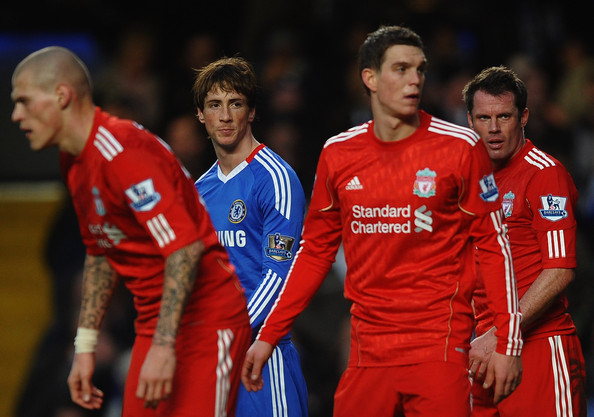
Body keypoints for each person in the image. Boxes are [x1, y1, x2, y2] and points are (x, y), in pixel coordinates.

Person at [242, 25, 523, 417]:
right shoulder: (338, 154)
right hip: (366, 352)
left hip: (437, 351)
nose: (415, 80)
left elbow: (495, 247)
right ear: (370, 78)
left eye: (420, 70)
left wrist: (508, 344)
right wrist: (269, 334)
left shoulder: (460, 148)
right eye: (402, 69)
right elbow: (314, 252)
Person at [10, 46, 251, 417]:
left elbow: (184, 249)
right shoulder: (74, 161)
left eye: (24, 101)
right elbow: (100, 248)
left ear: (60, 96)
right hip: (153, 327)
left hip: (207, 323)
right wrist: (86, 346)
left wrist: (164, 346)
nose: (16, 115)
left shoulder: (123, 150)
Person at [463, 66, 587, 417]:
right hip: (484, 349)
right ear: (470, 120)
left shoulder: (544, 174)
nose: (494, 128)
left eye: (504, 116)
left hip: (540, 348)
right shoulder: (471, 179)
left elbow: (560, 270)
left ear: (524, 117)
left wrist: (501, 332)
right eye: (484, 118)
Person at [193, 57, 308, 417]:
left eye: (235, 103)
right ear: (201, 115)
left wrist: (228, 329)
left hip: (262, 353)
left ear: (252, 111)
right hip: (213, 354)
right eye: (215, 105)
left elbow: (279, 275)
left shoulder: (276, 178)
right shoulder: (198, 191)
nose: (225, 116)